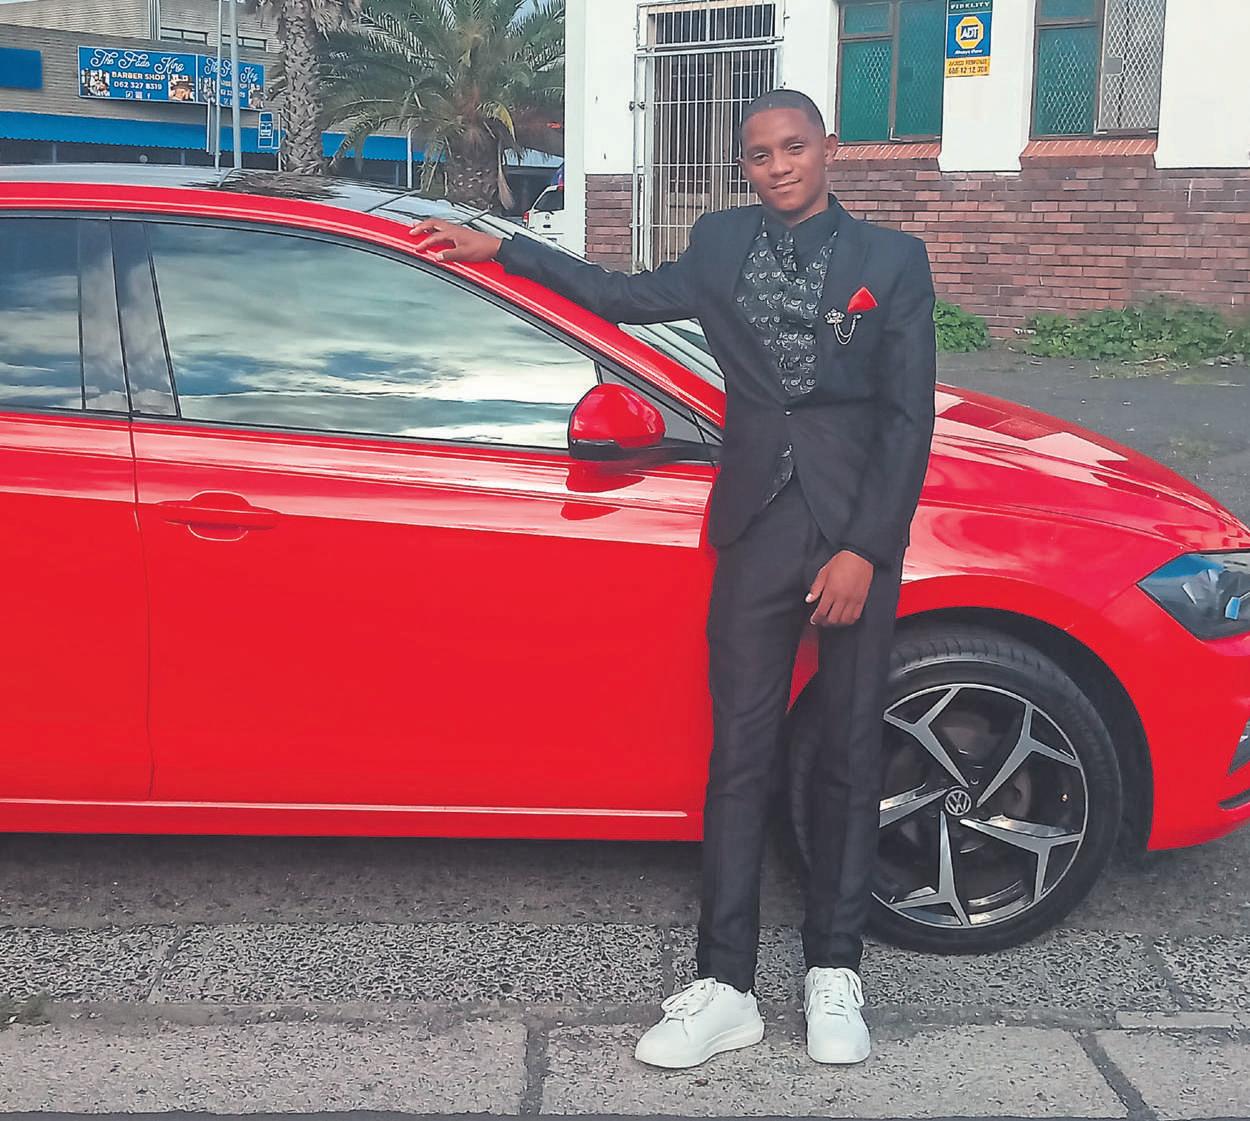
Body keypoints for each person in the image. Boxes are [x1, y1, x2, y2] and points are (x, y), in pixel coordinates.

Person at [409, 88, 937, 1069]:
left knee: (848, 752)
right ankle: (726, 983)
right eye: (759, 155)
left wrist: (866, 548)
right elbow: (618, 297)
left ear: (827, 149)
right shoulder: (719, 243)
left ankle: (833, 968)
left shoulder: (891, 262)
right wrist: (507, 250)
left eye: (793, 148)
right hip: (754, 525)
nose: (777, 166)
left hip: (851, 534)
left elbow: (909, 419)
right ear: (743, 166)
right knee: (738, 755)